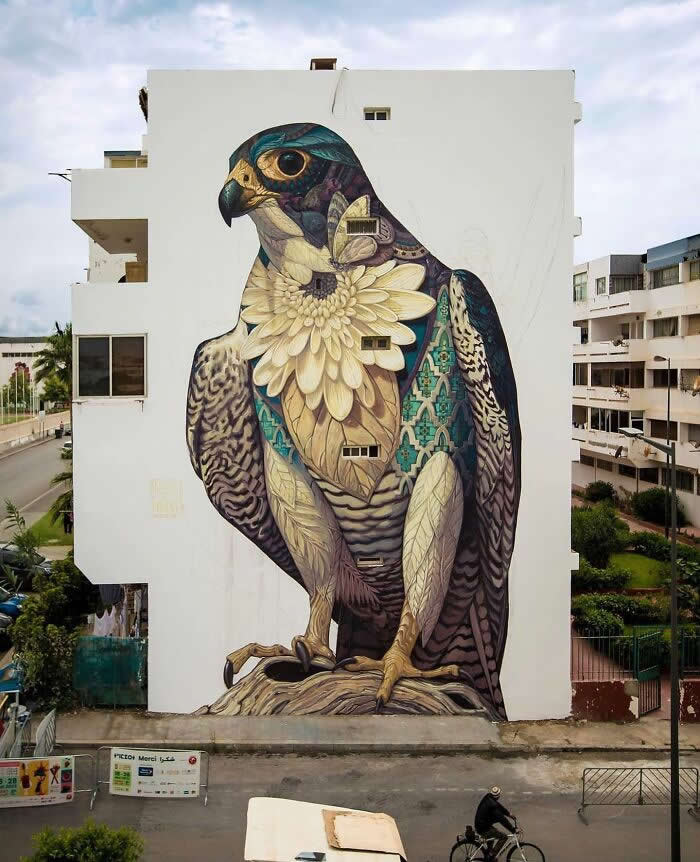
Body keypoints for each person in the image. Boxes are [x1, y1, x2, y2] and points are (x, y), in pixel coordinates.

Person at [474, 786, 516, 859]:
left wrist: (509, 814)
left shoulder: (488, 797)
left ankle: (489, 854)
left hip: (481, 824)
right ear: (498, 796)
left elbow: (499, 806)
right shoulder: (493, 806)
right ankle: (491, 856)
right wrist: (513, 830)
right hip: (483, 828)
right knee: (503, 837)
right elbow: (502, 820)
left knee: (492, 836)